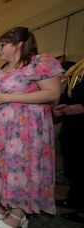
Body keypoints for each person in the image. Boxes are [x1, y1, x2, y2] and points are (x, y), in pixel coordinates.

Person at [0, 27, 63, 228]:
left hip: (26, 128)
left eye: (2, 45)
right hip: (1, 128)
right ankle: (8, 204)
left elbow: (52, 93)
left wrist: (9, 97)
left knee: (21, 167)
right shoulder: (0, 69)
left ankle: (19, 214)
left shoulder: (39, 62)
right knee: (4, 166)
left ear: (19, 43)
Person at [53, 59, 84, 224]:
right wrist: (62, 106)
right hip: (73, 125)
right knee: (75, 165)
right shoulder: (79, 68)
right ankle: (74, 200)